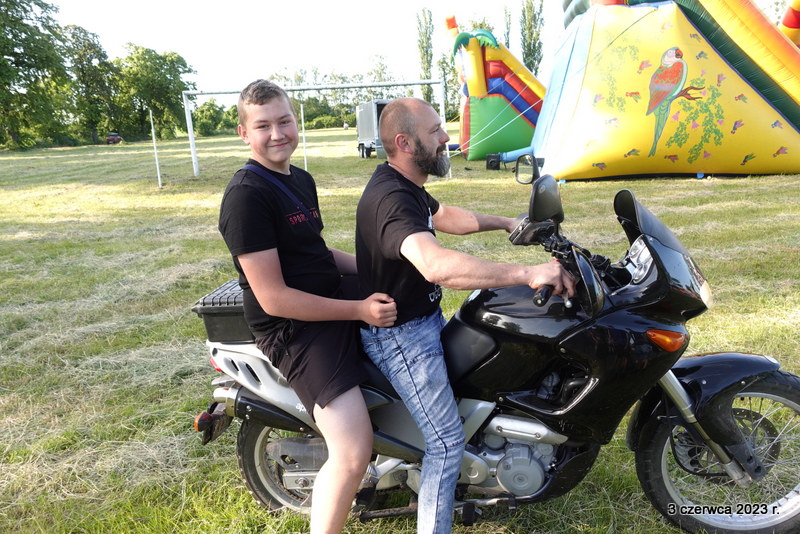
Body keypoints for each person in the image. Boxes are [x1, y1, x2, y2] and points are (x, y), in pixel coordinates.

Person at [355, 97, 576, 534]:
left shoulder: (405, 184)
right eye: (435, 131)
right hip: (402, 339)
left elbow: (444, 216)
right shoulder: (391, 199)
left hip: (422, 322)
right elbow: (436, 265)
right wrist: (527, 273)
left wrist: (506, 222)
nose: (446, 138)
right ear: (405, 142)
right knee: (445, 443)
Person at [218, 79, 397, 534]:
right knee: (353, 450)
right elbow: (274, 297)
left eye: (284, 121)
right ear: (244, 134)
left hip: (329, 294)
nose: (277, 134)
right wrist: (358, 310)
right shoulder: (246, 197)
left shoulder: (299, 179)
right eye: (263, 126)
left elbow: (317, 253)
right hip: (294, 327)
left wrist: (379, 269)